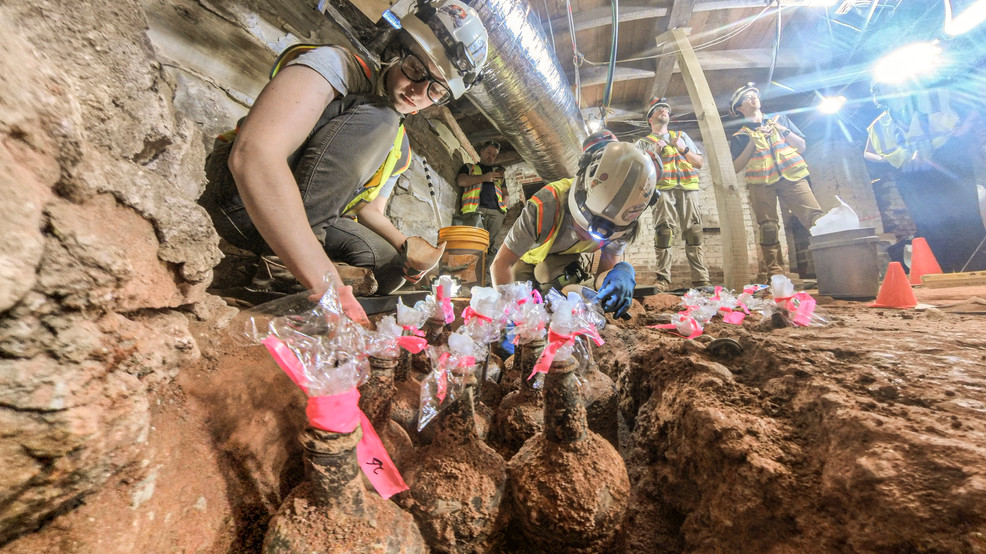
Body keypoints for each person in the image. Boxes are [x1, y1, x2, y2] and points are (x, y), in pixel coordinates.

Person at [201, 0, 489, 323]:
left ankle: (295, 262)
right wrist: (330, 285)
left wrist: (407, 247)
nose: (418, 91)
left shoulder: (399, 144)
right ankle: (285, 270)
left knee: (388, 264)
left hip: (306, 218)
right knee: (382, 118)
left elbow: (369, 210)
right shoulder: (337, 66)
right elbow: (253, 154)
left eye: (435, 89)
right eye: (415, 69)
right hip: (238, 199)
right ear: (396, 49)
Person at [490, 131, 660, 317]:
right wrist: (506, 311)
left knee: (557, 285)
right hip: (525, 258)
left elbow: (601, 281)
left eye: (603, 234)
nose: (588, 235)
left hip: (560, 262)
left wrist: (620, 274)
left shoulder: (626, 220)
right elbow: (501, 264)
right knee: (519, 297)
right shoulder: (546, 204)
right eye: (583, 223)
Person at [864, 81, 986, 272]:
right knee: (929, 224)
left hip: (946, 164)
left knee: (964, 218)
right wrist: (892, 160)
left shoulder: (932, 103)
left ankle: (974, 269)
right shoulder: (879, 124)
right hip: (912, 176)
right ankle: (943, 271)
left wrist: (958, 136)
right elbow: (868, 152)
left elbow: (972, 112)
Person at [728, 82, 824, 279]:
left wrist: (783, 130)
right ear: (739, 108)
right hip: (761, 183)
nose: (753, 97)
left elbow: (802, 146)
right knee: (768, 227)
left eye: (754, 93)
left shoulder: (781, 120)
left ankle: (829, 267)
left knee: (816, 220)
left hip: (793, 177)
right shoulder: (740, 135)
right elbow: (735, 167)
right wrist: (751, 146)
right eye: (747, 97)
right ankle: (777, 275)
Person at [634, 97, 712, 292]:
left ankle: (701, 279)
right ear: (650, 118)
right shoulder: (643, 143)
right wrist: (656, 152)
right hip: (662, 190)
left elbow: (699, 163)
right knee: (664, 232)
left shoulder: (681, 136)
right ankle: (663, 280)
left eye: (666, 109)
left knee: (694, 232)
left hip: (688, 188)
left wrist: (682, 148)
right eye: (658, 109)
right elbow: (639, 172)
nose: (664, 111)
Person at [456, 140, 509, 259]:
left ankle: (486, 275)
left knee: (491, 248)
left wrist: (504, 210)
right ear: (481, 151)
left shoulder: (498, 174)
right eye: (488, 153)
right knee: (472, 245)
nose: (491, 157)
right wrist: (484, 178)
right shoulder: (469, 167)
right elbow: (461, 181)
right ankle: (470, 274)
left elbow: (505, 194)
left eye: (494, 155)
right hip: (474, 211)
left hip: (496, 213)